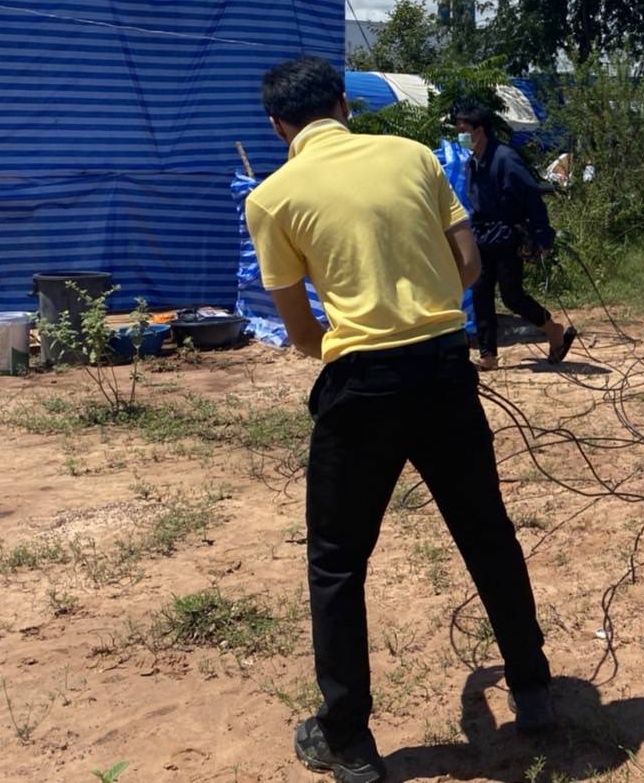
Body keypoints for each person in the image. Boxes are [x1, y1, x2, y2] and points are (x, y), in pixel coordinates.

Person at [245, 58, 554, 783]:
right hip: (445, 371)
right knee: (486, 532)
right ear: (344, 106)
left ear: (278, 126)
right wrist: (422, 310)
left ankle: (349, 740)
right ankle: (534, 689)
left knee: (337, 563)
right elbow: (469, 265)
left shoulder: (272, 197)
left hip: (361, 388)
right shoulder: (414, 156)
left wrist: (362, 345)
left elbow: (299, 331)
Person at [453, 103, 577, 371]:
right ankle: (488, 355)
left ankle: (552, 329)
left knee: (512, 296)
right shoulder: (472, 162)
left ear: (479, 130)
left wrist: (542, 236)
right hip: (482, 236)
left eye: (463, 129)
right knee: (480, 293)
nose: (459, 135)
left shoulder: (506, 159)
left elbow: (532, 197)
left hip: (508, 235)